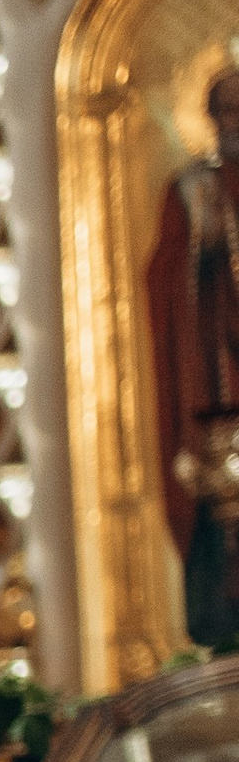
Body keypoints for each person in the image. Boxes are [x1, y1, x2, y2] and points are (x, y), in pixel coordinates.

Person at [145, 60, 239, 652]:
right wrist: (201, 253)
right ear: (210, 117)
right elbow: (163, 281)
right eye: (227, 110)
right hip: (219, 394)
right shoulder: (191, 191)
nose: (236, 123)